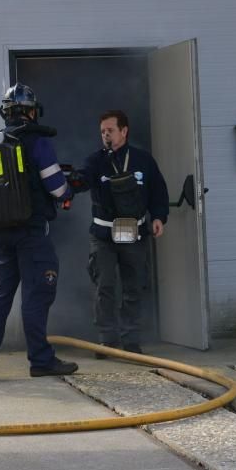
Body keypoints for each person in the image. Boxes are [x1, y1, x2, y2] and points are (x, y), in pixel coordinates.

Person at [0, 83, 79, 378]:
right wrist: (69, 190)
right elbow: (56, 188)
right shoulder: (37, 141)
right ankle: (41, 361)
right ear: (31, 111)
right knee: (36, 295)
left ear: (5, 113)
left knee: (0, 294)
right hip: (31, 233)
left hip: (1, 234)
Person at [74, 110, 169, 357]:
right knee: (104, 285)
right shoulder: (95, 161)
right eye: (103, 131)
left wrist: (158, 217)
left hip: (133, 232)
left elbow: (158, 190)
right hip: (103, 235)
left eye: (110, 130)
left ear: (124, 131)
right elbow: (83, 179)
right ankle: (107, 339)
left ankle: (131, 340)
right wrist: (72, 182)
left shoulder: (143, 160)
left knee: (133, 286)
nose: (106, 135)